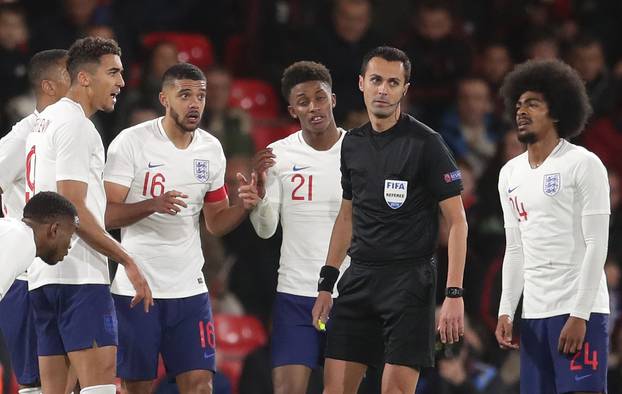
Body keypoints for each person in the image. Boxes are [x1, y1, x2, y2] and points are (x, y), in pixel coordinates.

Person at [312, 46, 468, 394]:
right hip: (360, 277)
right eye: (376, 80)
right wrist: (327, 283)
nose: (383, 89)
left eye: (393, 82)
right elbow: (347, 215)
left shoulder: (427, 144)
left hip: (409, 282)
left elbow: (457, 222)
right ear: (361, 83)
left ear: (404, 90)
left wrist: (453, 293)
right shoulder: (351, 144)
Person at [103, 62, 260, 394]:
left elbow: (216, 222)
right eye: (185, 94)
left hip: (190, 290)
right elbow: (105, 215)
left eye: (201, 96)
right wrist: (151, 204)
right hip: (137, 290)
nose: (195, 104)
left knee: (201, 385)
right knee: (137, 388)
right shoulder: (130, 143)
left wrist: (243, 208)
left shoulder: (211, 149)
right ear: (164, 98)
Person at [26, 36, 152, 394]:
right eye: (112, 73)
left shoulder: (44, 122)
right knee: (99, 389)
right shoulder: (77, 126)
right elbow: (73, 208)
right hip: (78, 276)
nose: (121, 83)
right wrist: (125, 258)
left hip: (43, 276)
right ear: (84, 78)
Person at [495, 59, 610, 393]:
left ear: (557, 111)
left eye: (533, 104)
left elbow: (596, 245)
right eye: (518, 104)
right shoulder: (509, 174)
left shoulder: (584, 164)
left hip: (578, 310)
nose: (522, 111)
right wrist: (506, 309)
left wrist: (580, 314)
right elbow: (515, 249)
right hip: (534, 316)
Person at [250, 60, 348, 394]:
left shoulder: (359, 152)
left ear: (333, 99)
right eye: (303, 102)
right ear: (293, 110)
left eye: (319, 97)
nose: (314, 107)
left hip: (347, 294)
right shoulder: (278, 155)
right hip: (295, 295)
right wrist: (260, 197)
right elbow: (265, 229)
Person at [0, 49, 70, 394]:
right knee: (36, 383)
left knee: (71, 379)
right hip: (26, 276)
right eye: (71, 74)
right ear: (50, 86)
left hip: (64, 268)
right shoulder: (22, 136)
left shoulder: (72, 130)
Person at [1, 192, 79, 300]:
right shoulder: (20, 240)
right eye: (70, 236)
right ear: (54, 229)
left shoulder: (16, 233)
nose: (70, 245)